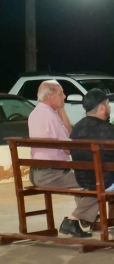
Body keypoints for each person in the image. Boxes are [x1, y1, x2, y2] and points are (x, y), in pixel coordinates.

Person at [27, 80, 98, 237]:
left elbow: (68, 134)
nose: (64, 96)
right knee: (96, 182)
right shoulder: (50, 117)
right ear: (50, 95)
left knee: (81, 178)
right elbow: (68, 148)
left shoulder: (36, 113)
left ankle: (87, 216)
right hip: (52, 174)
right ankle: (74, 220)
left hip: (37, 173)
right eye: (61, 93)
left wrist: (61, 109)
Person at [70, 89, 114, 221]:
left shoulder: (77, 127)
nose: (109, 107)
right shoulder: (109, 129)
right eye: (107, 104)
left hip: (84, 179)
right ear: (101, 107)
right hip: (106, 181)